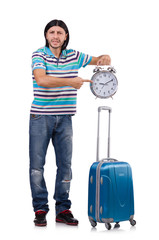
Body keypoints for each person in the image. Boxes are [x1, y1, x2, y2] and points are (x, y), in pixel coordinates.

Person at [29, 19, 111, 227]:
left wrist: (103, 59)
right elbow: (41, 80)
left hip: (65, 118)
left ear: (66, 36)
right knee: (37, 167)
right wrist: (70, 81)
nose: (55, 36)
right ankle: (40, 209)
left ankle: (62, 209)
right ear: (46, 35)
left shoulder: (74, 56)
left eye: (59, 32)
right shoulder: (39, 54)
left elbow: (99, 59)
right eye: (51, 32)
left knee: (65, 166)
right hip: (40, 117)